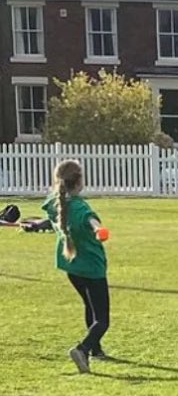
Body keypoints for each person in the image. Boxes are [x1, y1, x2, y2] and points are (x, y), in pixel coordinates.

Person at [42, 159, 111, 373]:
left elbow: (55, 219)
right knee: (103, 320)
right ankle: (83, 349)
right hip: (92, 269)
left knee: (90, 306)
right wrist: (100, 230)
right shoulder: (80, 207)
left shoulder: (56, 203)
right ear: (78, 181)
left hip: (73, 269)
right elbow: (92, 223)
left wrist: (37, 225)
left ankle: (96, 350)